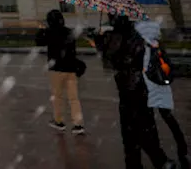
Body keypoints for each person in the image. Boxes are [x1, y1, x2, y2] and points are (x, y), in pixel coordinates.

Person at [94, 14, 175, 169]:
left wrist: (100, 42)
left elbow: (111, 59)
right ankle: (159, 161)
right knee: (145, 129)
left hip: (127, 91)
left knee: (132, 134)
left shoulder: (115, 39)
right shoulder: (137, 37)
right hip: (140, 88)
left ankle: (151, 162)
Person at [137, 20, 189, 168]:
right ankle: (182, 147)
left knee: (150, 123)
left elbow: (142, 68)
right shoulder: (157, 46)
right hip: (162, 87)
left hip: (149, 89)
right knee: (168, 118)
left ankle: (160, 154)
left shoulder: (144, 48)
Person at [35, 9, 85, 134]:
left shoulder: (49, 32)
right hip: (71, 68)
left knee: (58, 97)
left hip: (56, 69)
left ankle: (59, 122)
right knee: (74, 98)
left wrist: (41, 29)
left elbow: (39, 41)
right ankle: (78, 125)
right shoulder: (69, 32)